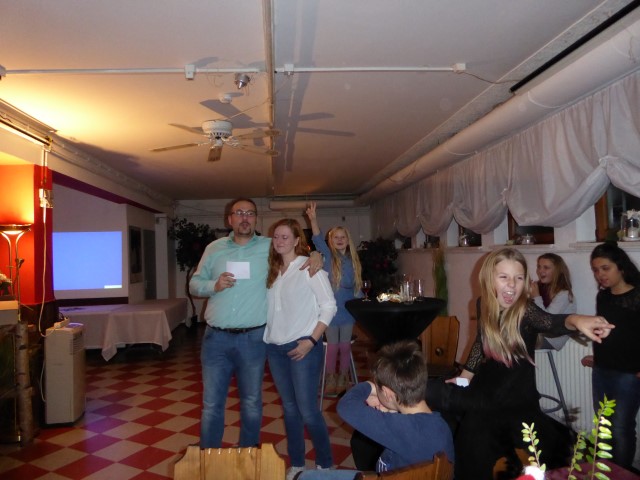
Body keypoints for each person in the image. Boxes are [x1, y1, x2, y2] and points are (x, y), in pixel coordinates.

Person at [429, 247, 613, 480]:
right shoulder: (483, 303)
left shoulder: (525, 309)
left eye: (518, 278)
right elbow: (480, 341)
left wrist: (577, 320)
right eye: (503, 277)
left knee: (544, 458)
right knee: (471, 454)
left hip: (518, 399)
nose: (512, 285)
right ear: (489, 279)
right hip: (487, 393)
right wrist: (465, 376)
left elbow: (551, 322)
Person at [189, 198, 323, 449]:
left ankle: (247, 456)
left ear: (255, 219)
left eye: (250, 213)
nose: (244, 217)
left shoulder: (269, 247)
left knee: (251, 402)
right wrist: (213, 285)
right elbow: (194, 284)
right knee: (211, 405)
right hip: (216, 339)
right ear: (229, 219)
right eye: (239, 213)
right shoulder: (214, 248)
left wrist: (316, 254)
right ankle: (208, 460)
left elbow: (296, 252)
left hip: (253, 339)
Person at [297, 340, 455, 479]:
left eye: (379, 389)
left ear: (387, 392)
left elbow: (346, 406)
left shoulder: (399, 428)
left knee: (306, 477)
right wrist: (390, 409)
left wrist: (370, 386)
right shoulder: (441, 426)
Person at [264, 218, 337, 480]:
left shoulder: (308, 266)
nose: (279, 241)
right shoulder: (272, 270)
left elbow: (329, 306)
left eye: (285, 237)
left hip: (303, 346)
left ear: (297, 240)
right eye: (276, 237)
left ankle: (326, 464)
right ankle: (297, 463)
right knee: (290, 409)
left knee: (308, 410)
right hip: (275, 348)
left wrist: (312, 341)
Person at [583, 242, 640, 473]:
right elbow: (606, 331)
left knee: (620, 428)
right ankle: (605, 471)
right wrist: (597, 356)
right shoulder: (603, 297)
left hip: (629, 374)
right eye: (596, 270)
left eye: (605, 268)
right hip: (602, 370)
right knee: (603, 426)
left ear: (621, 267)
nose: (600, 275)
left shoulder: (637, 296)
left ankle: (621, 474)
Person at [306, 202, 363, 396]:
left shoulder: (353, 260)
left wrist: (362, 303)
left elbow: (357, 287)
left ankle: (343, 376)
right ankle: (330, 376)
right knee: (332, 346)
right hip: (330, 310)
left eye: (342, 237)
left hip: (347, 310)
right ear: (330, 241)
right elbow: (317, 239)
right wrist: (313, 219)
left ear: (348, 240)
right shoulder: (329, 257)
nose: (339, 240)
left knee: (345, 346)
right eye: (335, 237)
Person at [531, 253, 576, 349]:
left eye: (546, 267)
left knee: (511, 341)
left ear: (557, 271)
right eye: (539, 267)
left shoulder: (564, 294)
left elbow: (546, 322)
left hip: (551, 338)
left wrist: (536, 297)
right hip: (536, 332)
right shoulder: (540, 286)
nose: (540, 271)